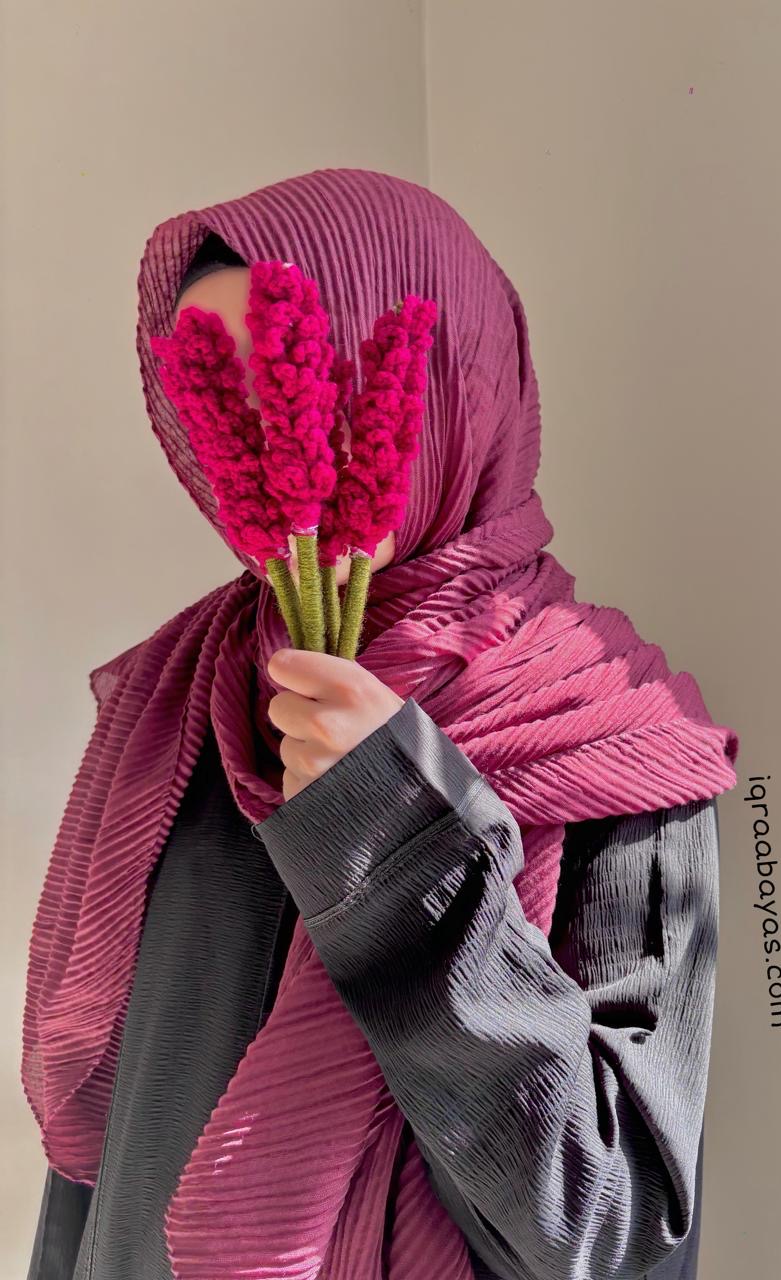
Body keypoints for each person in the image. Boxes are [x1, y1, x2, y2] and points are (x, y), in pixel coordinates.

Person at [22, 169, 739, 1280]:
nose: (257, 445)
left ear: (442, 382)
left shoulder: (614, 736)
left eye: (295, 380)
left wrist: (396, 838)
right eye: (218, 400)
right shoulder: (180, 706)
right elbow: (108, 1157)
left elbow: (617, 1232)